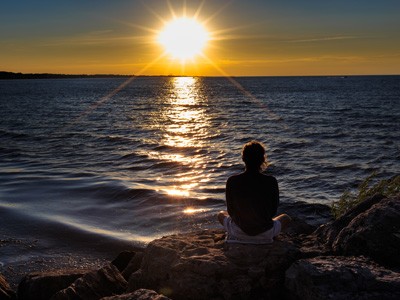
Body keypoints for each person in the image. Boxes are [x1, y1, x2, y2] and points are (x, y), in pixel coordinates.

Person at [218, 140, 291, 244]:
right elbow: (273, 212)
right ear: (262, 159)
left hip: (238, 232)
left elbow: (231, 211)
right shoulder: (271, 181)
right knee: (286, 218)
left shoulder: (232, 180)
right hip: (265, 234)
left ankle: (234, 235)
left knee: (220, 214)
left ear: (243, 159)